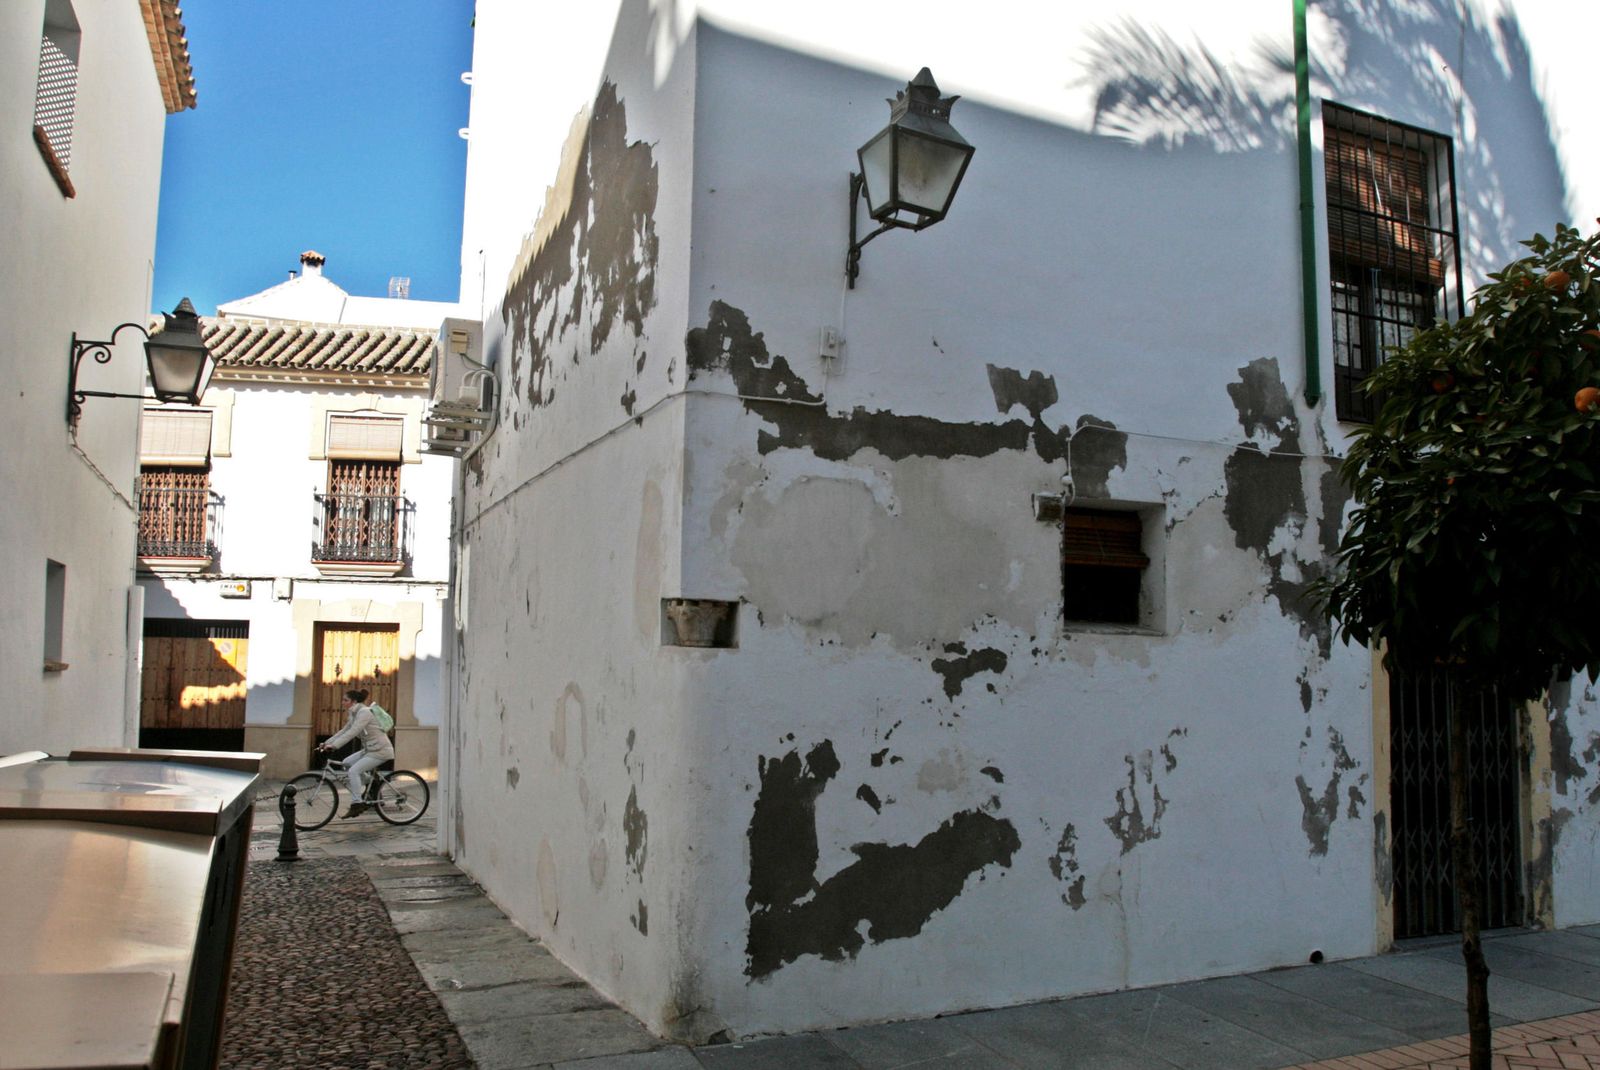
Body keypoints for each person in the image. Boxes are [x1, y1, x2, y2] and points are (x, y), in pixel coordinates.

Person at [317, 688, 395, 818]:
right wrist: (326, 743)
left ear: (353, 701)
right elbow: (344, 731)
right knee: (346, 763)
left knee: (353, 771)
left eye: (345, 700)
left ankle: (357, 803)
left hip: (380, 750)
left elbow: (353, 732)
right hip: (369, 749)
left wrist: (335, 746)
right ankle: (373, 783)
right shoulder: (354, 713)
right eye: (343, 700)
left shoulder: (364, 713)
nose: (342, 702)